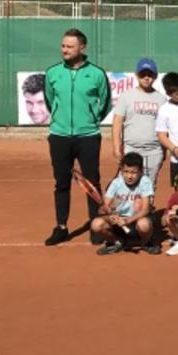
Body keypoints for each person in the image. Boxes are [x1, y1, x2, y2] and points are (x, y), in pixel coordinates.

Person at [44, 28, 111, 246]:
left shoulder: (97, 74)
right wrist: (58, 120)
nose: (64, 50)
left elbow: (105, 102)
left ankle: (95, 225)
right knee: (61, 183)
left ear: (82, 48)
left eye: (69, 46)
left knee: (92, 182)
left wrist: (91, 120)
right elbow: (49, 100)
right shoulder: (53, 73)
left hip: (88, 136)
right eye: (63, 46)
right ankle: (61, 226)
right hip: (60, 136)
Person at [90, 152, 158, 255]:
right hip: (120, 222)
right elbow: (102, 209)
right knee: (96, 224)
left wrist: (129, 220)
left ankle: (146, 243)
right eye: (126, 171)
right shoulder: (116, 183)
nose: (129, 176)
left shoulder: (145, 182)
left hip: (137, 219)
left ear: (140, 171)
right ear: (121, 170)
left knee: (144, 224)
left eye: (133, 172)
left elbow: (146, 209)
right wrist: (110, 216)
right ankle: (117, 242)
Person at [111, 58, 166, 184]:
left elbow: (164, 128)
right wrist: (116, 147)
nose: (146, 77)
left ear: (155, 76)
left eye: (150, 74)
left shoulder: (161, 99)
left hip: (154, 150)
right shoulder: (126, 96)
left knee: (149, 187)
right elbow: (117, 122)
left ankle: (148, 205)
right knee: (126, 186)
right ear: (136, 75)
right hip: (131, 149)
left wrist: (163, 151)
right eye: (142, 74)